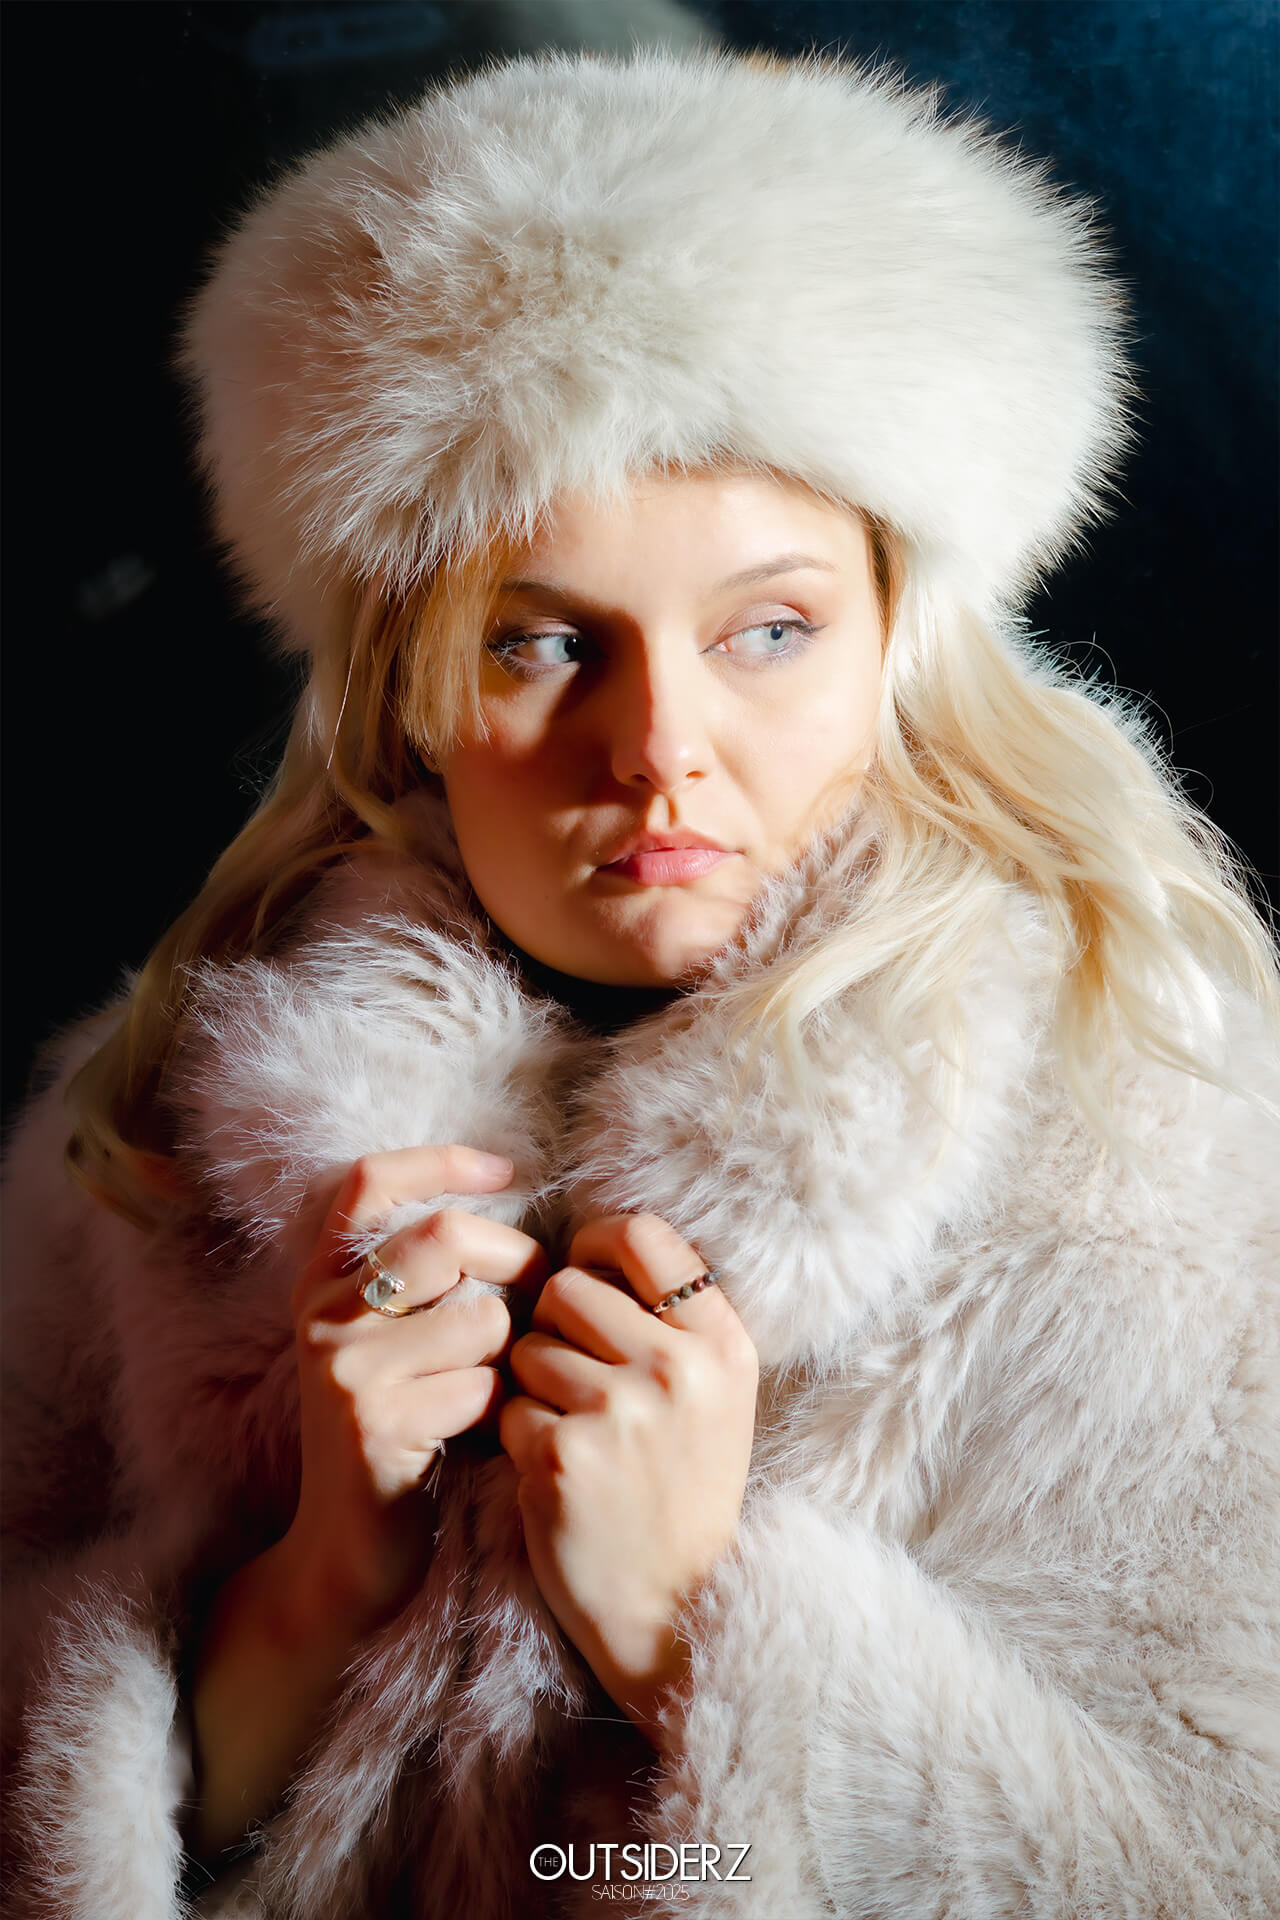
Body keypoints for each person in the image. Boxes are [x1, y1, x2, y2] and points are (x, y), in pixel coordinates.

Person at [2, 40, 1277, 1920]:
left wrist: (694, 1628)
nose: (662, 750)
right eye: (539, 642)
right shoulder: (137, 1150)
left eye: (769, 630)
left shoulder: (1146, 1137)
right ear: (405, 702)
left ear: (897, 648)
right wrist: (312, 1581)